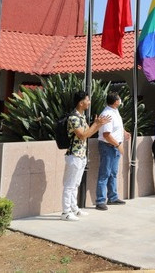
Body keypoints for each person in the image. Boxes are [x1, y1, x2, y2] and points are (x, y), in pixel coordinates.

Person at [61, 91, 106, 221]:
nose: (89, 102)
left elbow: (89, 132)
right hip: (74, 155)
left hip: (81, 156)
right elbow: (82, 135)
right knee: (69, 185)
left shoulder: (81, 117)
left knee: (76, 184)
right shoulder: (73, 118)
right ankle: (65, 212)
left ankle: (74, 208)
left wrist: (98, 125)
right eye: (87, 100)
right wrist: (96, 125)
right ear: (81, 103)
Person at [95, 92, 131, 210]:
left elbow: (117, 126)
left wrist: (124, 132)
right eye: (119, 99)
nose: (120, 100)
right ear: (115, 101)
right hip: (108, 147)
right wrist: (118, 145)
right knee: (104, 174)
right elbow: (106, 135)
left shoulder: (115, 112)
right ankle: (100, 201)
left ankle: (113, 197)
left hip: (113, 147)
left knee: (113, 173)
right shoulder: (107, 114)